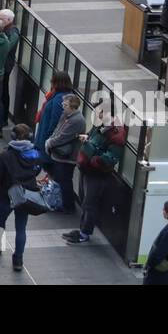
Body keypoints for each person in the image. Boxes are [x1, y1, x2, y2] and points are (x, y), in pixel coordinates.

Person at [0, 123, 44, 272]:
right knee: (21, 228)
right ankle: (18, 260)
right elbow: (37, 170)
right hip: (25, 196)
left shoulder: (5, 155)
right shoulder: (34, 154)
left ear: (13, 137)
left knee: (0, 222)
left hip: (7, 195)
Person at [64, 105, 126, 247]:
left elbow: (110, 159)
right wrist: (87, 139)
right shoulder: (100, 126)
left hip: (97, 173)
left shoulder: (117, 135)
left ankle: (84, 233)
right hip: (87, 169)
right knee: (84, 200)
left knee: (90, 204)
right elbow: (93, 139)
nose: (97, 115)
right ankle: (82, 230)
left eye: (100, 113)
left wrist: (90, 150)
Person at [43, 88, 85, 216]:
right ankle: (60, 202)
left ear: (73, 107)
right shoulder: (66, 115)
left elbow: (63, 137)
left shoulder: (77, 120)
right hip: (60, 156)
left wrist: (49, 142)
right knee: (60, 179)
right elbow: (58, 130)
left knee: (65, 181)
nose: (62, 106)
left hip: (67, 157)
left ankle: (68, 206)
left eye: (65, 105)